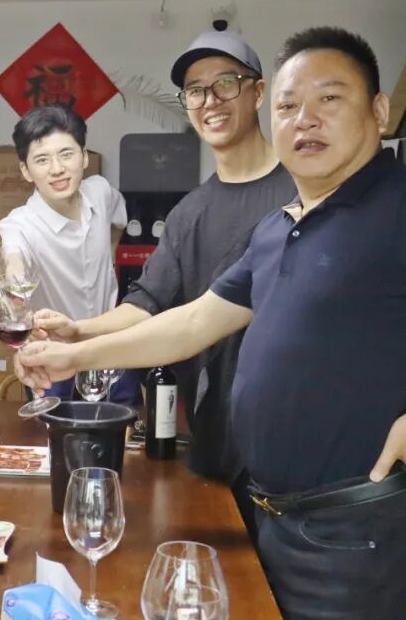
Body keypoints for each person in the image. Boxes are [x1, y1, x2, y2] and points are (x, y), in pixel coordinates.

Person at [17, 26, 406, 620]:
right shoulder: (280, 229)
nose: (305, 119)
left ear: (378, 111)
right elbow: (192, 321)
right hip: (271, 514)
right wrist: (74, 354)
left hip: (353, 527)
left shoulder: (395, 206)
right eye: (290, 106)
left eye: (329, 98)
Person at [34, 32, 296, 526]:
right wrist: (78, 329)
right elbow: (148, 302)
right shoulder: (189, 211)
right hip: (215, 441)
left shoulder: (300, 192)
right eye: (196, 91)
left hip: (291, 451)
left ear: (258, 92)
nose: (210, 101)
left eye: (226, 84)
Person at [0, 104, 139, 405]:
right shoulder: (18, 225)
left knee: (127, 429)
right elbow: (13, 259)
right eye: (42, 159)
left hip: (110, 346)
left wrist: (108, 257)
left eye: (66, 154)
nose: (57, 169)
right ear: (25, 170)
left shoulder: (100, 192)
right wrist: (16, 285)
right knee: (51, 433)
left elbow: (118, 222)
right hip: (54, 358)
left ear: (84, 156)